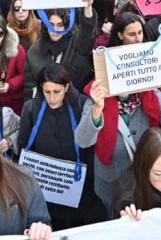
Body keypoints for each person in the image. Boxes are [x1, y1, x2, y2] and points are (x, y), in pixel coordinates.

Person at [76, 68, 161, 214]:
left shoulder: (152, 93)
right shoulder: (95, 100)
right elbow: (83, 141)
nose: (123, 82)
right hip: (113, 183)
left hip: (147, 179)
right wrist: (97, 109)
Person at [17, 63, 104, 229]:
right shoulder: (30, 108)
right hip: (47, 186)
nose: (51, 98)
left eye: (56, 92)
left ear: (66, 87)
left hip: (81, 187)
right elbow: (23, 145)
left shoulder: (82, 104)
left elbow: (90, 140)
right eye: (46, 92)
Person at [24, 0, 97, 97]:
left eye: (60, 25)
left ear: (67, 25)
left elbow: (87, 31)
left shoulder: (77, 44)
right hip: (47, 105)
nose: (55, 30)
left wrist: (88, 7)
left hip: (75, 104)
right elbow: (29, 88)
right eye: (51, 25)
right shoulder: (34, 52)